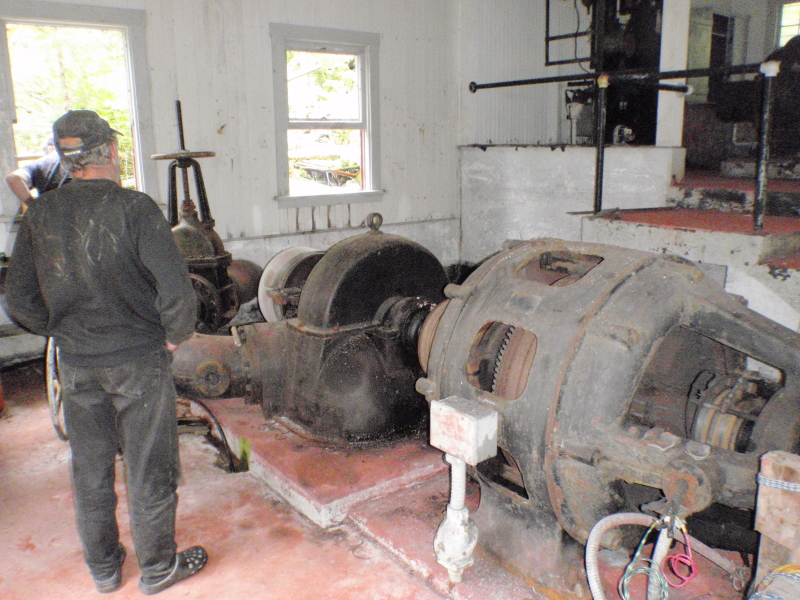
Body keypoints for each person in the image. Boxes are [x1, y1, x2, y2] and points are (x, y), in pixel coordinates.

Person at [5, 110, 207, 595]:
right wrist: (174, 337)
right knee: (148, 467)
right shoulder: (135, 208)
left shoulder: (40, 214)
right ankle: (158, 569)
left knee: (90, 469)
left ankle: (105, 569)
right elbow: (179, 294)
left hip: (77, 365)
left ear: (65, 158)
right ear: (112, 152)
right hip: (138, 362)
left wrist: (60, 330)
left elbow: (18, 301)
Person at [5, 137, 71, 208]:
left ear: (47, 149)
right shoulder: (77, 158)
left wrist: (33, 206)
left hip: (51, 213)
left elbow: (13, 178)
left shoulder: (39, 164)